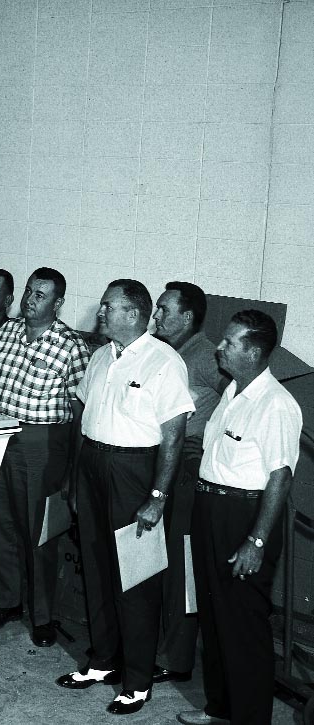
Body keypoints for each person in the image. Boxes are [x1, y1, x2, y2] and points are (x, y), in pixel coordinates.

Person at [57, 279, 194, 716]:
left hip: (135, 471)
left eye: (108, 307)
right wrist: (75, 480)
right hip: (93, 465)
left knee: (135, 579)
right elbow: (83, 418)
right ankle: (103, 660)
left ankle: (137, 681)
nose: (100, 313)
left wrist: (158, 495)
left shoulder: (164, 361)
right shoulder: (101, 356)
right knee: (97, 568)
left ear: (133, 314)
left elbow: (174, 435)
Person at [178, 311, 302, 725]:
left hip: (244, 517)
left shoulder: (276, 404)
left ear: (252, 352)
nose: (220, 347)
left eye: (229, 343)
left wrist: (256, 541)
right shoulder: (232, 391)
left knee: (244, 626)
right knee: (214, 618)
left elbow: (280, 477)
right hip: (210, 509)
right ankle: (219, 709)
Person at [0, 268, 89, 646]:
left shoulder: (71, 346)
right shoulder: (8, 331)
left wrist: (72, 469)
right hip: (1, 433)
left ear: (57, 303)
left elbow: (79, 411)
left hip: (41, 443)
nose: (30, 300)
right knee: (0, 524)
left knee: (39, 532)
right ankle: (6, 601)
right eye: (29, 291)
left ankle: (42, 616)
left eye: (40, 295)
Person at [151, 282, 228, 685]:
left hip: (187, 466)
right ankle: (155, 644)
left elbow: (236, 401)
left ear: (187, 317)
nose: (157, 315)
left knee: (181, 564)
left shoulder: (208, 356)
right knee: (154, 561)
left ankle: (176, 658)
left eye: (164, 309)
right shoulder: (160, 351)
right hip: (158, 460)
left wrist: (206, 445)